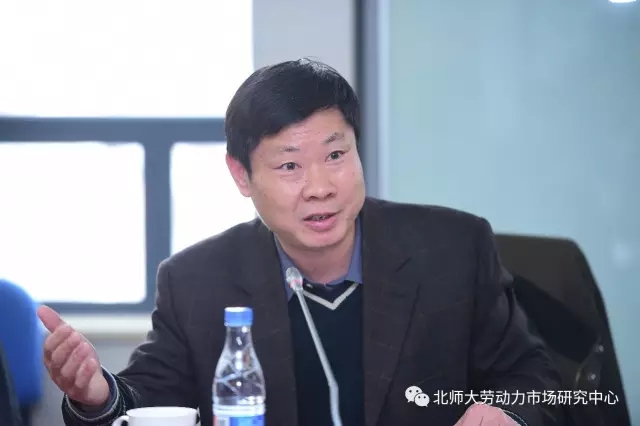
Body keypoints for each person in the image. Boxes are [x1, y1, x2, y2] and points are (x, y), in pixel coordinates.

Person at [38, 58, 564, 426]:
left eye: (336, 155)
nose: (320, 187)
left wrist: (509, 413)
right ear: (241, 176)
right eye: (289, 166)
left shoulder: (453, 249)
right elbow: (148, 401)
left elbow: (537, 378)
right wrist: (97, 396)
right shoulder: (197, 281)